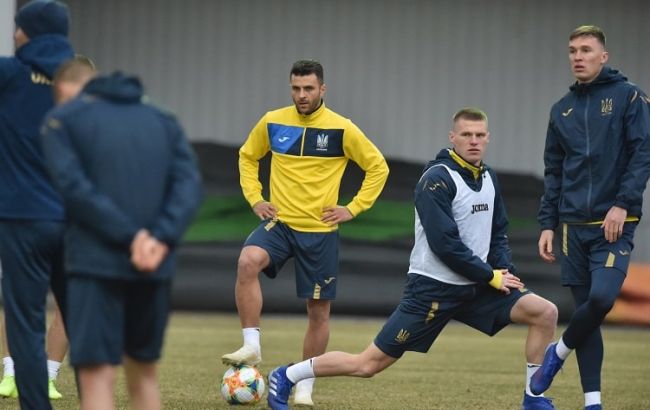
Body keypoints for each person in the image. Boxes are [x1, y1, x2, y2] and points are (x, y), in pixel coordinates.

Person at [265, 107, 559, 410]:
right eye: (466, 134)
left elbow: (498, 232)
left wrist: (504, 270)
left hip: (478, 285)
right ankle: (286, 375)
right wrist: (490, 275)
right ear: (452, 137)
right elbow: (445, 245)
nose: (473, 141)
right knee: (367, 365)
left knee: (545, 313)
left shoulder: (488, 177)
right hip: (433, 290)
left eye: (479, 135)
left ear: (488, 138)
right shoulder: (436, 179)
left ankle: (533, 398)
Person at [222, 59, 389, 406]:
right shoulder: (273, 121)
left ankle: (304, 385)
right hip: (280, 224)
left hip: (320, 232)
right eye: (296, 88)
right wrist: (255, 198)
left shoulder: (342, 128)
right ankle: (252, 346)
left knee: (318, 312)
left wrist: (353, 208)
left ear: (322, 89)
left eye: (308, 88)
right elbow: (247, 157)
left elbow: (377, 167)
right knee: (247, 261)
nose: (302, 95)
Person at [40, 66, 203, 410]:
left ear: (69, 89)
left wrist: (132, 238)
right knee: (144, 376)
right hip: (154, 264)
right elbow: (188, 188)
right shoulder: (164, 120)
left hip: (94, 265)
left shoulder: (63, 121)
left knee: (97, 377)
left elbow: (75, 190)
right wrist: (158, 238)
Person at [532, 25, 650, 410]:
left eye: (585, 49)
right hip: (571, 228)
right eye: (572, 50)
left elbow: (642, 155)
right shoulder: (560, 110)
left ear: (604, 56)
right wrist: (547, 223)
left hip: (613, 224)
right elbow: (554, 171)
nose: (578, 57)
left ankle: (557, 354)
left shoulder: (629, 97)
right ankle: (592, 403)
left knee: (600, 300)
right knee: (588, 314)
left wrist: (623, 204)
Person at [0, 54, 97, 402]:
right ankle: (11, 372)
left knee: (67, 302)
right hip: (32, 217)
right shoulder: (31, 115)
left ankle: (48, 374)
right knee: (22, 298)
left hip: (72, 221)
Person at [0, 1, 74, 408]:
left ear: (29, 31)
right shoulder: (84, 83)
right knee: (83, 318)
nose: (14, 35)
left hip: (23, 217)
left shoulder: (9, 74)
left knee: (25, 322)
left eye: (18, 28)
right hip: (76, 219)